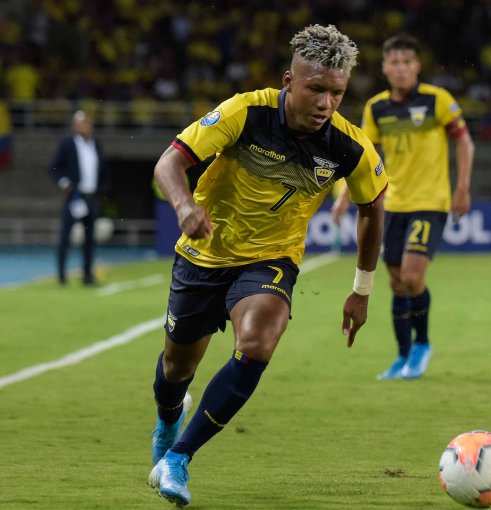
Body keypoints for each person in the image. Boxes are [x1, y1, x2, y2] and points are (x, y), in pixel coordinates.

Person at [148, 24, 387, 507]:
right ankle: (169, 418)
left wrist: (362, 288)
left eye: (336, 93)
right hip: (203, 253)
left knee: (257, 344)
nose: (326, 103)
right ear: (289, 81)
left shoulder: (349, 147)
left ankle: (178, 458)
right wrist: (184, 208)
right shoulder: (245, 111)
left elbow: (373, 207)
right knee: (176, 369)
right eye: (315, 89)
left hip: (271, 260)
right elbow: (167, 164)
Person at [331, 33, 475, 380]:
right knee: (397, 283)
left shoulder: (436, 100)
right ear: (384, 67)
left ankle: (422, 344)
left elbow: (465, 142)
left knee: (412, 276)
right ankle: (402, 356)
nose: (400, 68)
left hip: (430, 202)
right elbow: (361, 155)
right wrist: (343, 195)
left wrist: (462, 188)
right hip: (391, 204)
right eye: (393, 62)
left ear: (417, 66)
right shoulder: (376, 108)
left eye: (407, 62)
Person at [48, 110, 110, 285]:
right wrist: (63, 183)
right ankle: (61, 276)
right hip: (74, 197)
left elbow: (103, 169)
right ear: (75, 125)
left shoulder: (95, 143)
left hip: (91, 196)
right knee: (65, 236)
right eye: (81, 123)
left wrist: (103, 187)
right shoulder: (67, 143)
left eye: (87, 123)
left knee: (90, 238)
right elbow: (53, 168)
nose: (85, 126)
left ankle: (87, 275)